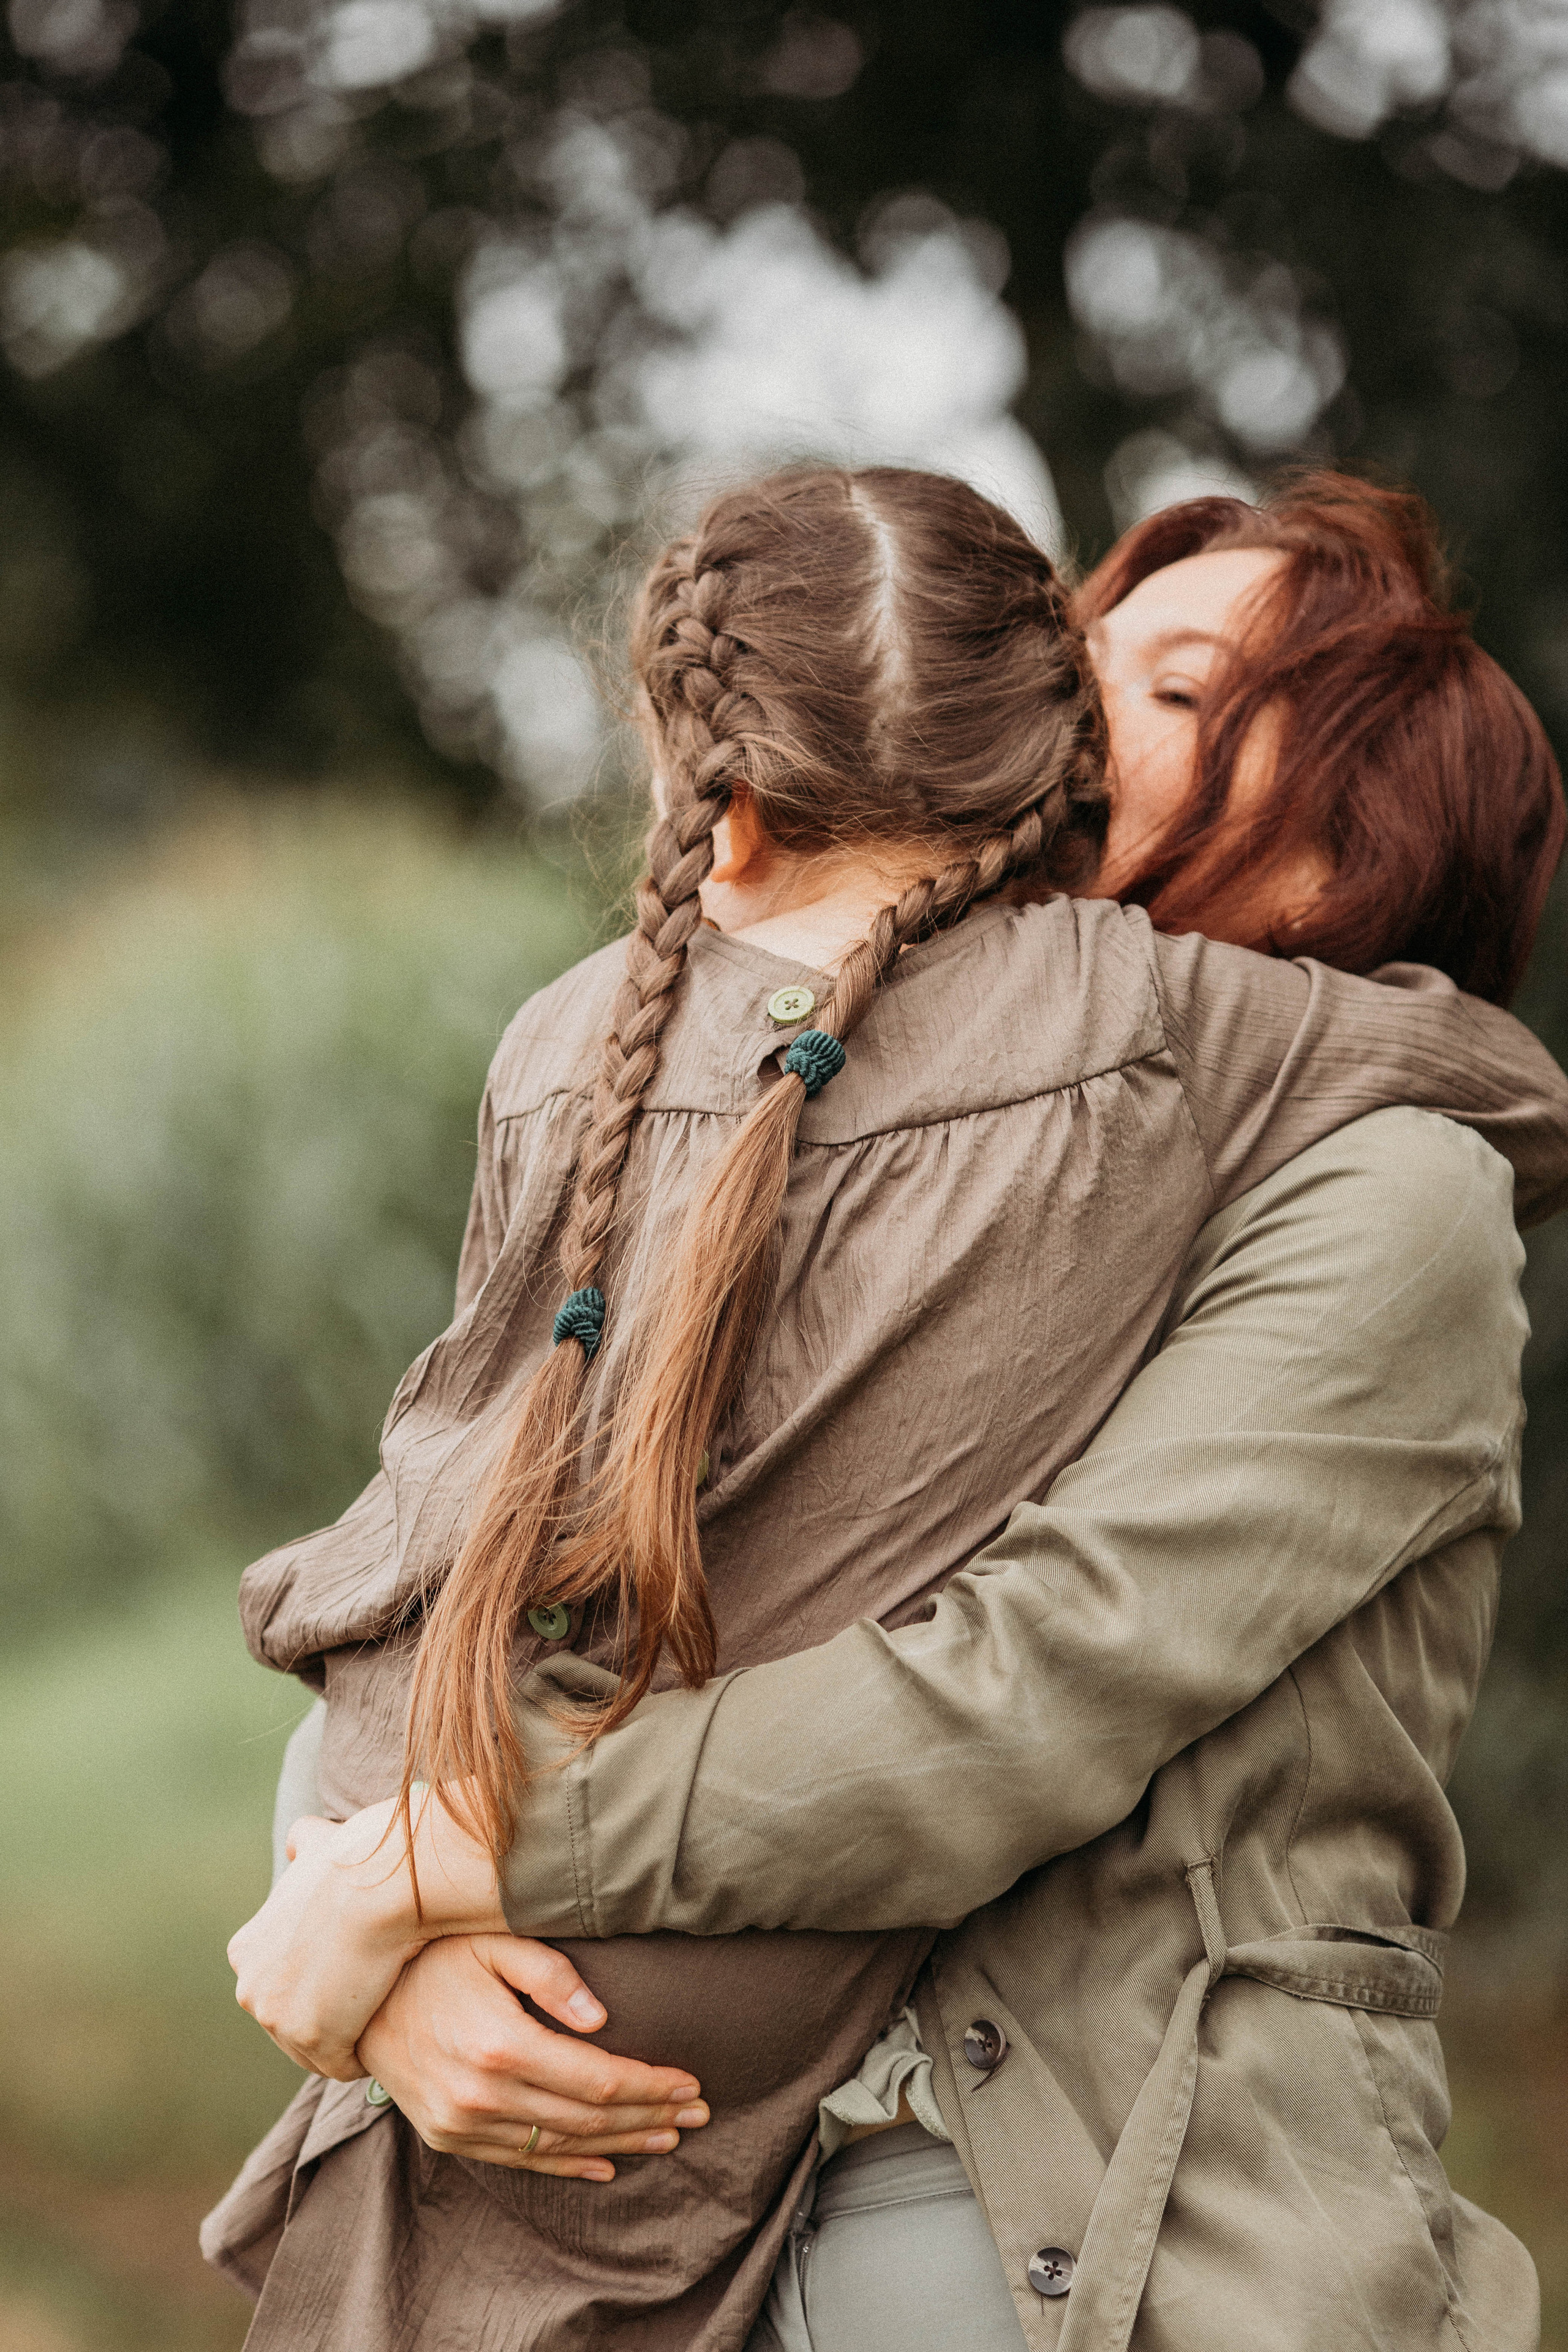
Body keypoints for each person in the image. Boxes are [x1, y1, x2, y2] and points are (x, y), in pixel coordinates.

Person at [208, 469, 1568, 2352]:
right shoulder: (777, 1080)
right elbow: (459, 1532)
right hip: (689, 2217)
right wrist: (377, 1955)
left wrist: (457, 1858)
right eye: (1087, 663)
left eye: (1174, 696)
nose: (1082, 721)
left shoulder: (1385, 1186)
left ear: (1344, 853)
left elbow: (1020, 1692)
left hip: (1116, 2232)